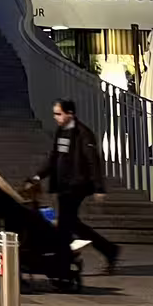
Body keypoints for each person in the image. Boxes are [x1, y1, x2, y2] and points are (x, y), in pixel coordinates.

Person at [33, 97, 121, 272]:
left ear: (70, 114)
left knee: (66, 222)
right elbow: (54, 157)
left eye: (59, 114)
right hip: (63, 184)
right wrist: (38, 176)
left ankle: (63, 258)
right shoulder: (61, 131)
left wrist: (98, 187)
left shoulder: (83, 133)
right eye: (55, 114)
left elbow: (92, 161)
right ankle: (108, 249)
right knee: (71, 222)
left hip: (77, 185)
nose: (56, 117)